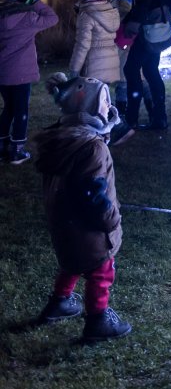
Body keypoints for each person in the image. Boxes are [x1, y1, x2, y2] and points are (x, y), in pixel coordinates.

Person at [33, 73, 131, 341]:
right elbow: (93, 193)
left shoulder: (61, 139)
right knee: (101, 270)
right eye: (103, 103)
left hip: (65, 222)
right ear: (90, 110)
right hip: (89, 228)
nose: (108, 109)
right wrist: (110, 220)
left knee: (73, 262)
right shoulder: (91, 148)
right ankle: (98, 321)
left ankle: (60, 302)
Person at [70, 0, 134, 146]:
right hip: (111, 61)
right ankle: (118, 129)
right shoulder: (110, 10)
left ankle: (114, 131)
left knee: (96, 103)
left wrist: (74, 69)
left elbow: (82, 45)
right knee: (103, 100)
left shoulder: (86, 16)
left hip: (95, 64)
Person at [0, 0, 58, 164]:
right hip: (21, 74)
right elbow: (52, 18)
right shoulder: (28, 17)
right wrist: (33, 1)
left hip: (3, 73)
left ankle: (2, 145)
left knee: (8, 107)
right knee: (21, 109)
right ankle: (17, 149)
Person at [120, 0, 169, 130]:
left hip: (147, 23)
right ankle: (159, 118)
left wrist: (135, 21)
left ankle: (132, 118)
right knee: (150, 69)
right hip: (151, 21)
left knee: (132, 69)